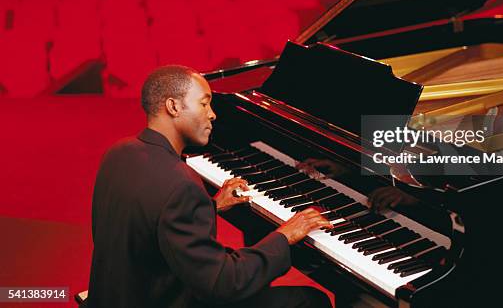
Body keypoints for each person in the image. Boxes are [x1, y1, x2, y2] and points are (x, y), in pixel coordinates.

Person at [86, 65, 333, 308]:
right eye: (204, 103)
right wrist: (285, 235)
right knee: (311, 301)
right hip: (162, 299)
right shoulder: (181, 183)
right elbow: (224, 284)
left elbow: (152, 218)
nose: (213, 114)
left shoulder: (119, 152)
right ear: (173, 107)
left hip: (119, 294)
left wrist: (210, 205)